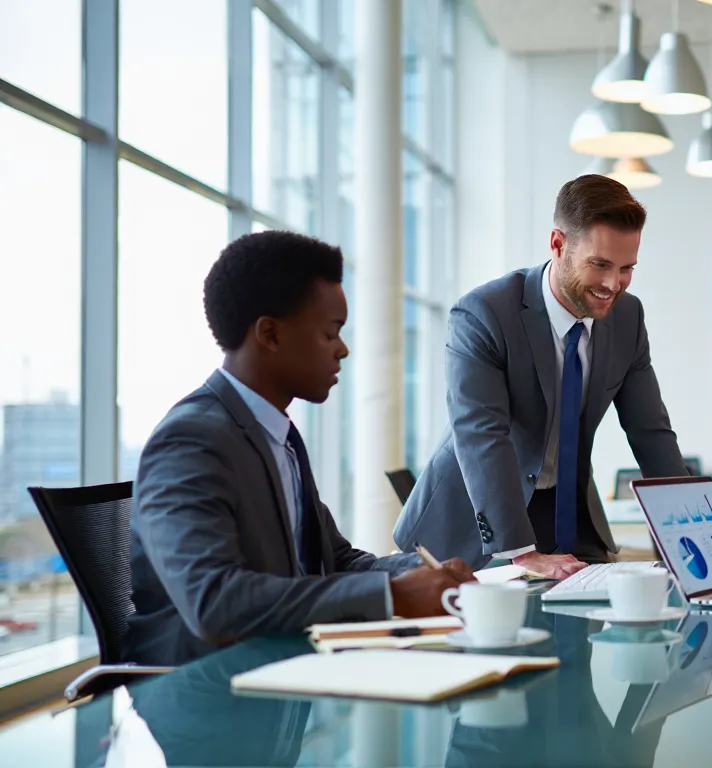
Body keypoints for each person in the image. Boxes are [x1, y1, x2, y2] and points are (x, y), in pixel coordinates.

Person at [124, 231, 472, 667]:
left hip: (284, 667)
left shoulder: (278, 436)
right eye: (331, 333)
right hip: (209, 683)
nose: (343, 349)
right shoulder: (190, 441)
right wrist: (392, 594)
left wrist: (420, 574)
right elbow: (214, 601)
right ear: (270, 334)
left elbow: (334, 560)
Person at [394, 175, 689, 577]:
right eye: (600, 264)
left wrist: (696, 531)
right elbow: (481, 433)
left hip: (567, 513)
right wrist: (522, 553)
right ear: (558, 244)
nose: (612, 284)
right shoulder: (484, 313)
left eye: (626, 268)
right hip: (474, 522)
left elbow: (650, 431)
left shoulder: (627, 317)